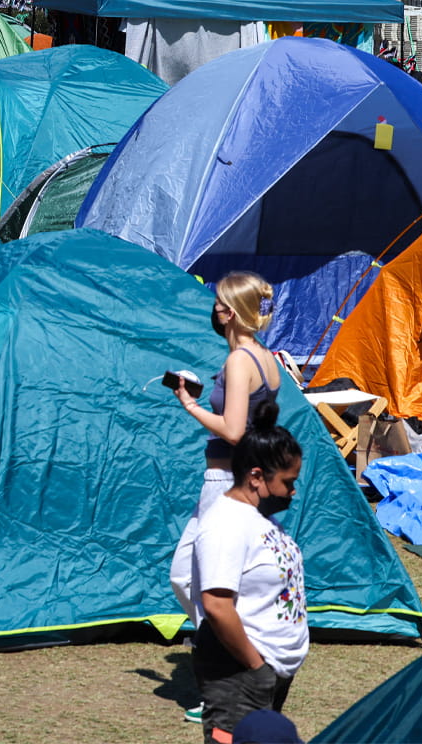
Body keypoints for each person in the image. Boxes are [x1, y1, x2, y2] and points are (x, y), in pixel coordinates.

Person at [168, 271, 281, 722]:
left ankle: (231, 675)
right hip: (241, 482)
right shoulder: (264, 358)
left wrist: (192, 406)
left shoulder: (238, 361)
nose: (212, 309)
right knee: (204, 581)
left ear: (229, 311)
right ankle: (230, 670)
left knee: (192, 577)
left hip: (224, 483)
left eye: (217, 302)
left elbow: (234, 430)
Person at [191, 401, 307, 740]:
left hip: (268, 669)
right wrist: (256, 668)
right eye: (288, 482)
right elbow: (216, 604)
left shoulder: (256, 518)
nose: (293, 491)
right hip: (239, 674)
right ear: (256, 476)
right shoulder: (225, 524)